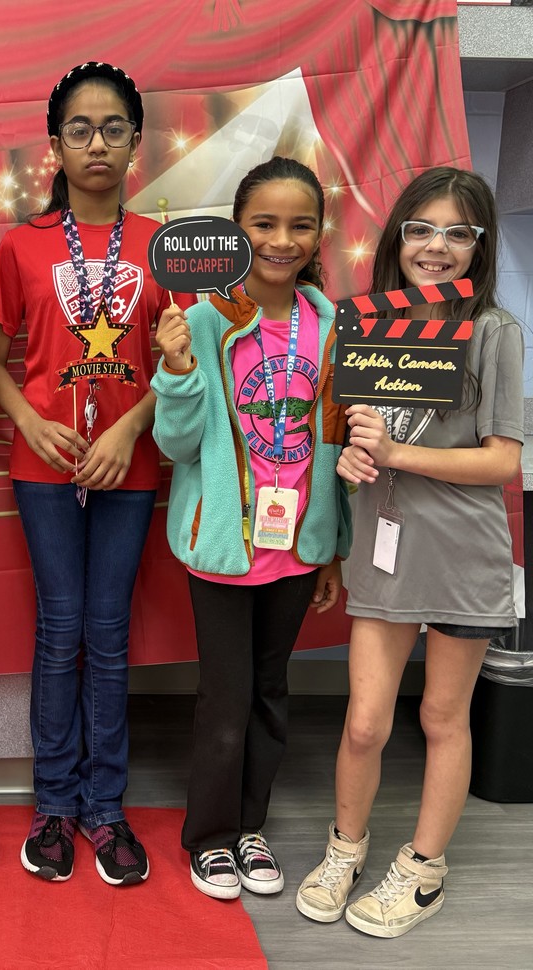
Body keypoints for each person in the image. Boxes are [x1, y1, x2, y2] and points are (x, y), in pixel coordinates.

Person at [296, 167, 523, 938]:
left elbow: (502, 462)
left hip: (464, 555)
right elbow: (363, 435)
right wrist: (355, 458)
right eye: (422, 228)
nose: (437, 247)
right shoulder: (366, 324)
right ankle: (344, 847)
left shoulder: (495, 333)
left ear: (479, 247)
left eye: (459, 232)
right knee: (363, 723)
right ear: (398, 237)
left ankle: (423, 870)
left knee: (440, 716)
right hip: (385, 551)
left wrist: (395, 454)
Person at [0, 61, 172, 886]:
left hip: (129, 463)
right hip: (44, 464)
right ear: (54, 144)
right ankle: (54, 807)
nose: (97, 144)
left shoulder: (166, 246)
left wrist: (130, 429)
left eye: (114, 129)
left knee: (109, 634)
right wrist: (29, 419)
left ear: (137, 141)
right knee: (59, 633)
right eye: (80, 130)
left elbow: (183, 369)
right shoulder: (23, 243)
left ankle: (107, 809)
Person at [152, 157, 351, 899]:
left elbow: (335, 443)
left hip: (299, 545)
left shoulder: (336, 326)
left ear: (320, 234)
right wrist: (175, 370)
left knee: (271, 690)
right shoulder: (203, 321)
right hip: (224, 545)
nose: (282, 239)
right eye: (264, 224)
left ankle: (251, 824)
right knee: (225, 695)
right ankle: (210, 836)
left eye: (301, 225)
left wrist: (334, 548)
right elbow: (176, 444)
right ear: (236, 233)